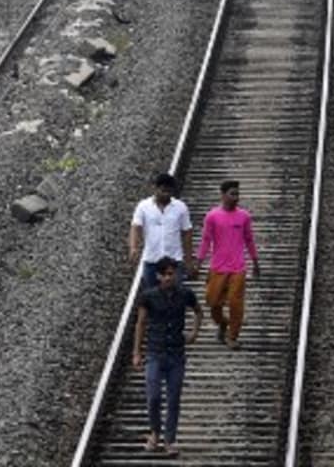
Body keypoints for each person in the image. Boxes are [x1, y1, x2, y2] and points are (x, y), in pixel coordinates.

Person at [132, 256, 203, 456]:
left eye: (172, 274)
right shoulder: (149, 296)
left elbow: (198, 312)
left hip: (176, 354)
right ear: (158, 276)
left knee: (174, 399)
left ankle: (169, 439)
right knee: (153, 397)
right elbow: (141, 323)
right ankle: (155, 432)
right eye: (165, 274)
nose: (169, 278)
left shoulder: (185, 294)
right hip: (154, 353)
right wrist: (137, 352)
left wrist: (194, 333)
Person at [196, 179, 260, 349]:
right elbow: (205, 240)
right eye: (232, 194)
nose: (236, 197)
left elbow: (249, 240)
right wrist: (199, 261)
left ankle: (233, 336)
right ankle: (223, 323)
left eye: (237, 194)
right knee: (213, 302)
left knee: (235, 303)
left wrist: (255, 261)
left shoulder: (244, 216)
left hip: (238, 268)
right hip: (217, 267)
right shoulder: (212, 216)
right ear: (223, 195)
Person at [130, 172, 197, 288]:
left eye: (169, 191)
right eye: (163, 190)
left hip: (174, 260)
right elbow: (136, 227)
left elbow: (187, 232)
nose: (166, 194)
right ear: (155, 189)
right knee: (151, 296)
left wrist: (188, 259)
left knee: (175, 296)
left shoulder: (180, 207)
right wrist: (134, 247)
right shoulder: (143, 206)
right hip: (152, 259)